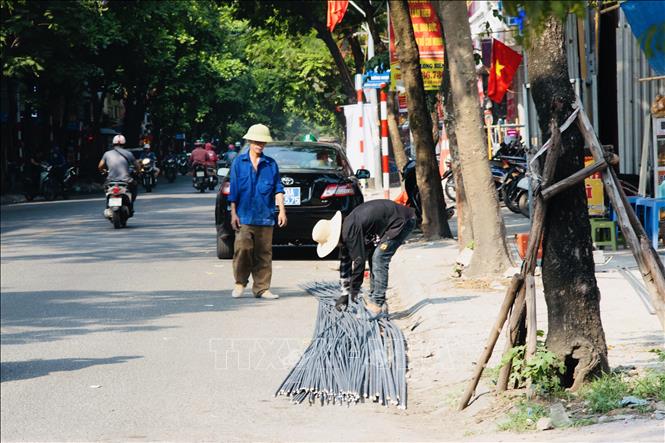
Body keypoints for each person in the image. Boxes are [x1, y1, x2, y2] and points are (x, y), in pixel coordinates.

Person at [311, 200, 416, 314]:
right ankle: (376, 298)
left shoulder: (349, 232)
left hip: (402, 222)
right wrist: (345, 293)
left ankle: (377, 303)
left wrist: (353, 291)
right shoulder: (346, 228)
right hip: (396, 220)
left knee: (379, 258)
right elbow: (345, 262)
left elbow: (359, 262)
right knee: (373, 256)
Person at [228, 123, 287, 300]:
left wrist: (282, 211)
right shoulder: (239, 163)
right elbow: (234, 191)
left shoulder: (271, 164)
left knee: (264, 253)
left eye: (262, 142)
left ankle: (262, 288)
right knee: (243, 248)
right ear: (250, 141)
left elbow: (278, 188)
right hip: (244, 215)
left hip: (266, 216)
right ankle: (240, 282)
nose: (259, 145)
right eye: (256, 142)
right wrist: (233, 213)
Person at [98, 134, 140, 207]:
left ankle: (108, 205)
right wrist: (137, 172)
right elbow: (137, 166)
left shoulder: (107, 154)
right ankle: (131, 204)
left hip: (111, 181)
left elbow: (100, 166)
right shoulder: (129, 153)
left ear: (113, 143)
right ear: (124, 143)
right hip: (126, 180)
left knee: (106, 188)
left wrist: (103, 171)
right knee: (135, 185)